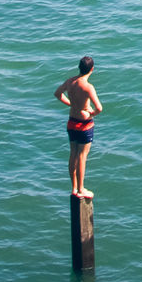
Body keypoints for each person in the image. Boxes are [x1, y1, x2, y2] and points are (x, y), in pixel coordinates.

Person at [55, 55, 102, 198]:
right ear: (92, 69)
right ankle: (81, 189)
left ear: (79, 68)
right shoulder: (88, 87)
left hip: (71, 122)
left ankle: (74, 188)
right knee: (82, 156)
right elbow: (99, 108)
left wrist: (71, 104)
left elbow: (57, 94)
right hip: (84, 125)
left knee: (73, 155)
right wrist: (91, 114)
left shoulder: (70, 82)